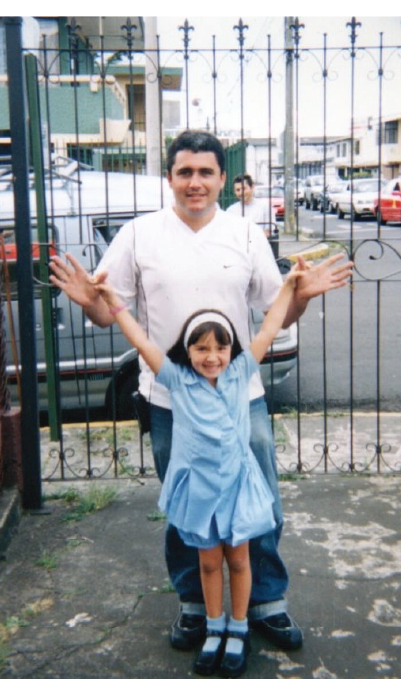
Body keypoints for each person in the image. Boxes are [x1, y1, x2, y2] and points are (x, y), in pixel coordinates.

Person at [49, 130, 353, 655]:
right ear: (169, 178)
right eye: (185, 172)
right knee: (186, 506)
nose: (195, 182)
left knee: (259, 502)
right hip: (171, 402)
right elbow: (109, 307)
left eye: (206, 172)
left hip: (241, 399)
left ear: (220, 179)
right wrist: (86, 303)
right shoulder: (140, 235)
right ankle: (196, 605)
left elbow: (274, 311)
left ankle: (266, 602)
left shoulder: (245, 234)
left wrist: (300, 295)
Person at [96, 271, 301, 677]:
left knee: (240, 562)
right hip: (201, 493)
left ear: (231, 350)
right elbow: (141, 341)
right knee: (209, 564)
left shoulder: (242, 372)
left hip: (237, 489)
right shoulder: (177, 381)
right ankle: (214, 626)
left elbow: (270, 327)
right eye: (201, 347)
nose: (211, 356)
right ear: (187, 351)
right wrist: (115, 303)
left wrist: (290, 286)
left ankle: (239, 629)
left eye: (220, 347)